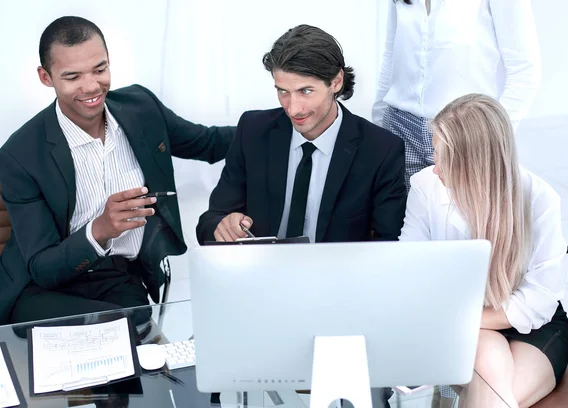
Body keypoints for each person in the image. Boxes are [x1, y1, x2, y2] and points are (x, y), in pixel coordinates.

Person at [0, 16, 235, 327]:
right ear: (46, 77)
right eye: (72, 76)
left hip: (119, 279)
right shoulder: (19, 155)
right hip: (42, 291)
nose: (91, 86)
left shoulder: (141, 109)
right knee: (104, 339)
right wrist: (101, 228)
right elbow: (42, 267)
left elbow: (208, 143)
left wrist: (279, 125)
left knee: (135, 350)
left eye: (100, 69)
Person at [399, 94, 568, 407]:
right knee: (490, 368)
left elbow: (540, 301)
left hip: (534, 328)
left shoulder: (539, 199)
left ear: (474, 163)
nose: (435, 168)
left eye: (443, 156)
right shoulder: (426, 186)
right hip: (461, 326)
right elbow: (410, 269)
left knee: (495, 397)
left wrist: (461, 317)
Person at [196, 24, 406, 245]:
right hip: (262, 274)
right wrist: (223, 226)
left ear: (336, 82)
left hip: (339, 277)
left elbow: (388, 245)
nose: (293, 109)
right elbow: (209, 222)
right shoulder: (252, 131)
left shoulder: (381, 150)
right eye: (283, 92)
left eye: (305, 91)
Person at [373, 0, 541, 191]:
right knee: (402, 218)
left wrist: (489, 140)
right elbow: (390, 54)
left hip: (464, 132)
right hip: (400, 129)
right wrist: (378, 126)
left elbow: (524, 70)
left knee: (463, 218)